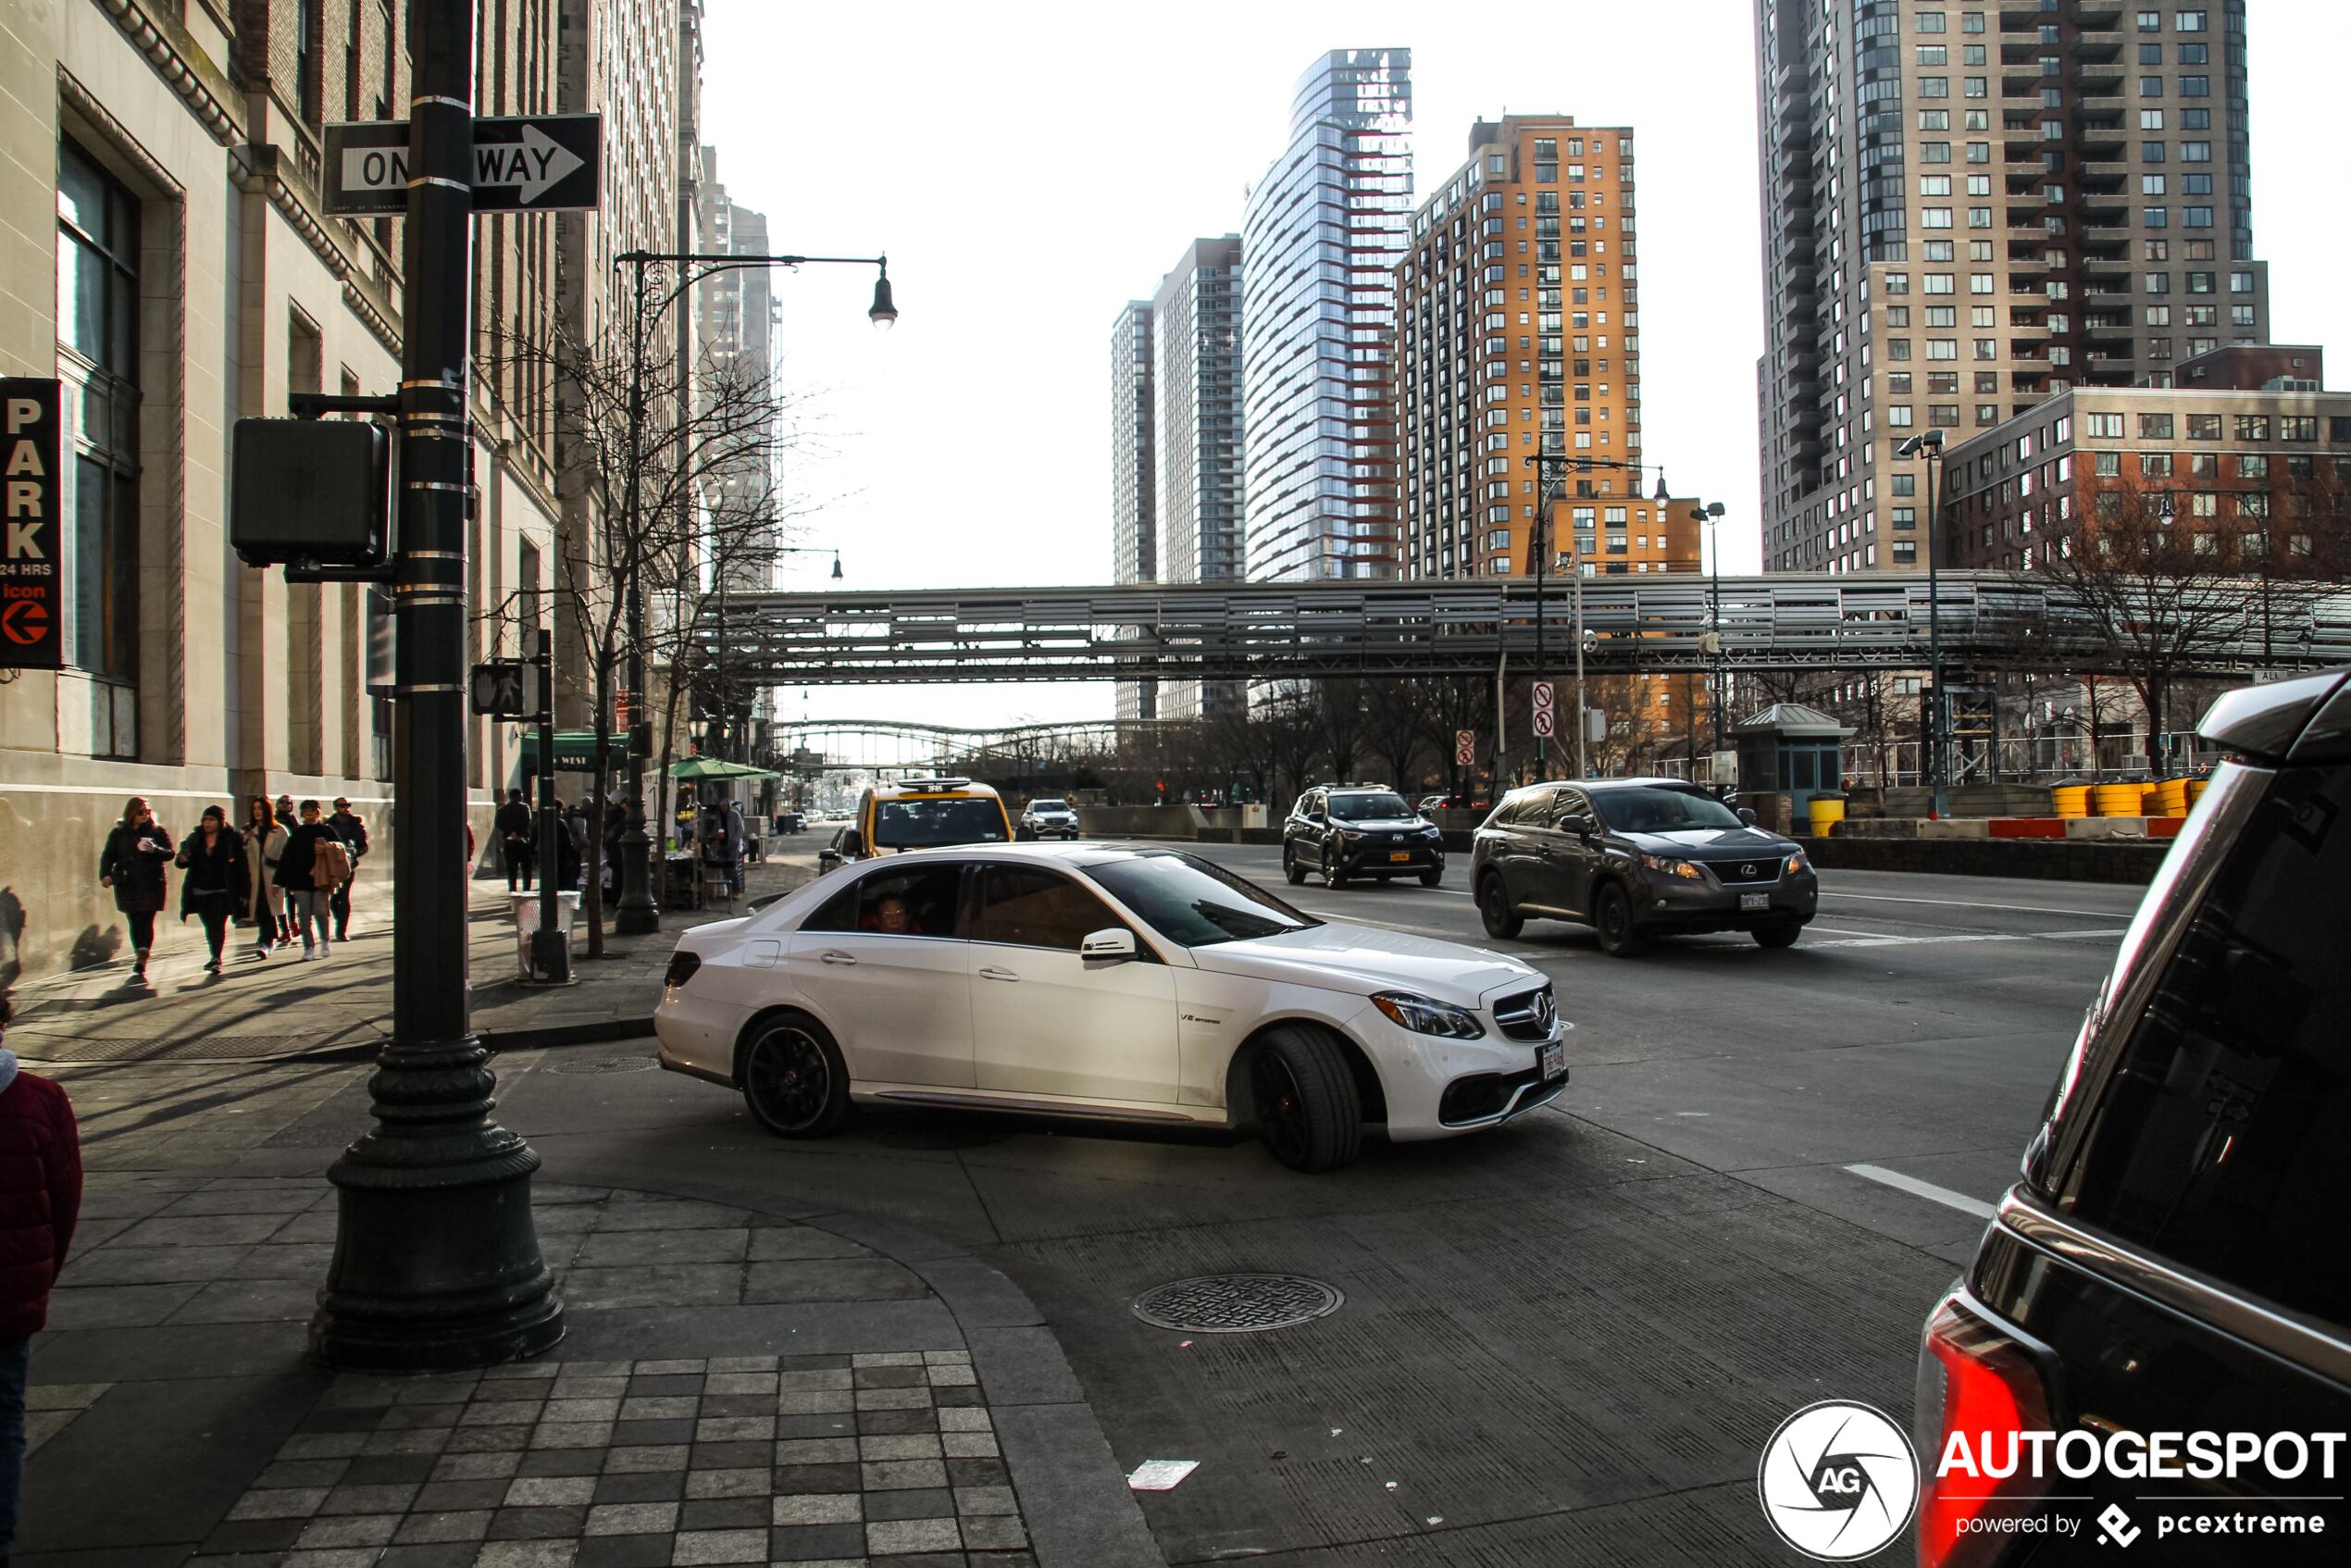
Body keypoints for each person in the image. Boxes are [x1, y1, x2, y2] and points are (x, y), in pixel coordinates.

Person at [0, 992, 82, 1568]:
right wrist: (38, 1276)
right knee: (3, 1418)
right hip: (10, 1295)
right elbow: (65, 1201)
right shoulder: (40, 1099)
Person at [96, 798, 173, 985]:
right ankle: (140, 949)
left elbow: (170, 853)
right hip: (127, 882)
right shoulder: (119, 834)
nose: (144, 815)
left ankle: (143, 952)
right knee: (134, 919)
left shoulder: (157, 832)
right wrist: (105, 875)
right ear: (131, 813)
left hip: (151, 882)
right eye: (140, 812)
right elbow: (108, 855)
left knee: (146, 919)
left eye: (147, 811)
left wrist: (155, 850)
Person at [175, 806, 249, 975]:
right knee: (209, 925)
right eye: (205, 820)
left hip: (223, 890)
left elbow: (242, 867)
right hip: (200, 889)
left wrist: (245, 892)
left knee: (217, 923)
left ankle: (216, 957)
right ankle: (214, 955)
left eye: (211, 820)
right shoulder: (195, 839)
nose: (207, 823)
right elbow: (181, 862)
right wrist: (182, 859)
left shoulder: (231, 839)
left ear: (220, 822)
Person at [274, 801, 343, 960]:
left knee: (320, 912)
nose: (309, 813)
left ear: (318, 812)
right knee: (304, 915)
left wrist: (326, 847)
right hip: (300, 880)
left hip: (321, 878)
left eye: (312, 810)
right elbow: (287, 857)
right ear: (302, 814)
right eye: (306, 811)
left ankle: (325, 940)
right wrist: (278, 881)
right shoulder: (298, 832)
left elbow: (340, 849)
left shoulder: (326, 830)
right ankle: (308, 947)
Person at [241, 796, 287, 960]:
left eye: (260, 809)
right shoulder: (248, 832)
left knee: (269, 910)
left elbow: (287, 857)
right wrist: (244, 842)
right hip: (254, 879)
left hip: (272, 877)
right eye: (254, 809)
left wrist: (278, 875)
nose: (257, 812)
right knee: (260, 910)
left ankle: (265, 942)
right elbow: (241, 856)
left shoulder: (280, 831)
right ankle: (267, 940)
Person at [327, 798, 370, 942]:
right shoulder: (329, 824)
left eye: (347, 805)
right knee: (333, 898)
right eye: (341, 805)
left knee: (344, 896)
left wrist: (355, 852)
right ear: (335, 808)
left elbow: (364, 846)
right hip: (332, 865)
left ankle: (341, 930)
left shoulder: (356, 824)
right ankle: (339, 919)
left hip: (348, 866)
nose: (345, 808)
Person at [271, 796, 299, 941]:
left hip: (291, 862)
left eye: (287, 803)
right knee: (279, 897)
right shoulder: (274, 819)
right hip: (276, 862)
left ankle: (293, 922)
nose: (284, 805)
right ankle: (284, 928)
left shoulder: (292, 820)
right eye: (281, 802)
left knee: (291, 895)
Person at [496, 788, 535, 891]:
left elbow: (498, 824)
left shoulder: (502, 809)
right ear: (519, 796)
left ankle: (512, 890)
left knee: (511, 869)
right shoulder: (524, 807)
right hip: (523, 840)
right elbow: (527, 822)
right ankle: (526, 890)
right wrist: (518, 834)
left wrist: (510, 833)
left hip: (509, 841)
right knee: (526, 868)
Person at [726, 800, 749, 898]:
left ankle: (736, 890)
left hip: (734, 846)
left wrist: (734, 841)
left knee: (732, 868)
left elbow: (740, 830)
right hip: (725, 846)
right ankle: (732, 890)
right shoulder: (722, 816)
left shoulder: (735, 815)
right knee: (727, 869)